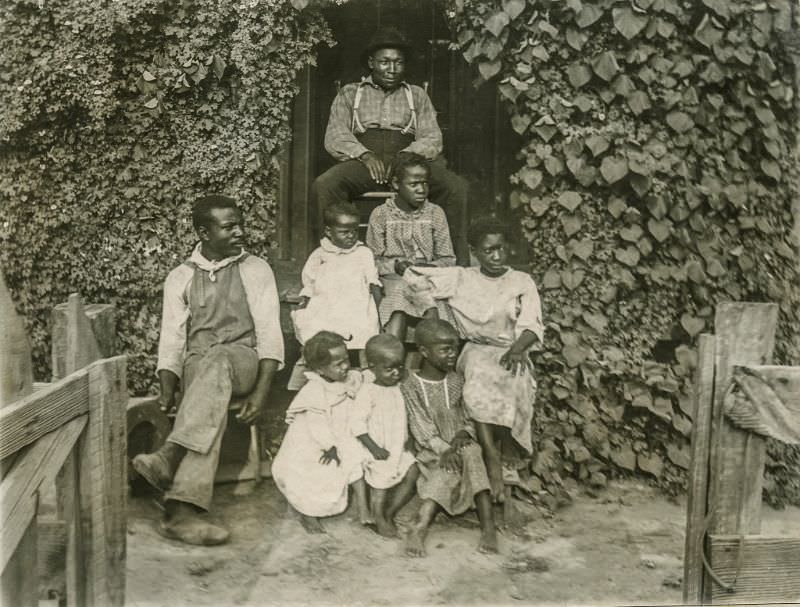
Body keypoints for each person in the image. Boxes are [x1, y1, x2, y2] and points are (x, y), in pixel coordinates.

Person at [132, 195, 284, 546]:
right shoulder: (180, 277)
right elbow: (171, 340)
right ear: (204, 232)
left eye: (240, 223)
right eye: (229, 227)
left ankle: (171, 455)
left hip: (243, 360)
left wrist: (261, 393)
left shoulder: (254, 269)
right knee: (208, 378)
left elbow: (270, 336)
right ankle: (180, 511)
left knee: (217, 363)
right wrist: (167, 390)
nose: (240, 232)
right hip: (200, 368)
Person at [405, 216, 544, 501]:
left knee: (516, 379)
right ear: (475, 252)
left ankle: (507, 458)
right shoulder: (462, 277)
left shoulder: (520, 281)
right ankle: (492, 457)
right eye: (488, 250)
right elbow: (415, 277)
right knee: (480, 377)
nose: (496, 256)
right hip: (477, 349)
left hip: (511, 348)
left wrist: (518, 348)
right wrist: (432, 319)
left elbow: (533, 325)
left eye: (501, 249)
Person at [311, 26, 469, 262]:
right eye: (385, 62)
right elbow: (335, 134)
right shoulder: (350, 93)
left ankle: (457, 264)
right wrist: (364, 155)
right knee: (325, 185)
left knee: (456, 187)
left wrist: (406, 156)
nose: (392, 69)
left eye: (398, 62)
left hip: (408, 160)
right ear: (371, 62)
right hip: (364, 162)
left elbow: (432, 137)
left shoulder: (416, 94)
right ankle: (333, 261)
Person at [399, 319, 498, 557]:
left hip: (460, 443)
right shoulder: (411, 385)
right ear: (423, 351)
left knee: (473, 452)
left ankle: (488, 527)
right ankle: (420, 526)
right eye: (445, 349)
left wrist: (465, 433)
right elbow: (420, 426)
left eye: (455, 348)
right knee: (450, 466)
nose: (453, 354)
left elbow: (468, 415)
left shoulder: (456, 380)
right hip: (432, 451)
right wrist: (444, 449)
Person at [271, 331, 370, 534]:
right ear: (319, 369)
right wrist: (330, 446)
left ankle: (365, 509)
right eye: (338, 364)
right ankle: (308, 513)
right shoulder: (314, 390)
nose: (345, 366)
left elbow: (362, 377)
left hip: (340, 433)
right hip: (314, 442)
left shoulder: (349, 377)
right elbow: (317, 426)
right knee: (313, 475)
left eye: (346, 360)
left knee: (356, 459)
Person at [366, 153, 456, 340]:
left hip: (428, 277)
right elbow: (372, 261)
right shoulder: (381, 214)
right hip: (394, 278)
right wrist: (395, 266)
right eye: (413, 184)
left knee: (433, 302)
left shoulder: (435, 213)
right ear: (396, 184)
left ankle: (432, 354)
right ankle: (392, 353)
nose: (421, 190)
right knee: (397, 302)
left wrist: (430, 268)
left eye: (425, 183)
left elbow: (448, 259)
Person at [291, 201, 381, 365]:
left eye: (355, 231)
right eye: (344, 232)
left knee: (364, 325)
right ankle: (311, 366)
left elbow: (373, 282)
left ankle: (365, 368)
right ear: (329, 232)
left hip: (356, 304)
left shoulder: (363, 253)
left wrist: (378, 307)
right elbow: (309, 282)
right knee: (312, 323)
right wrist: (305, 300)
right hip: (326, 304)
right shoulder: (320, 254)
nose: (351, 236)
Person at [350, 334, 419, 538]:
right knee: (380, 484)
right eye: (388, 369)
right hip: (378, 447)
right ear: (372, 367)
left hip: (398, 445)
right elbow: (357, 424)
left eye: (399, 367)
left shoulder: (399, 387)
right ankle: (378, 514)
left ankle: (390, 512)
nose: (396, 373)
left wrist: (410, 440)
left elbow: (404, 416)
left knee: (413, 472)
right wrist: (374, 448)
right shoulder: (368, 391)